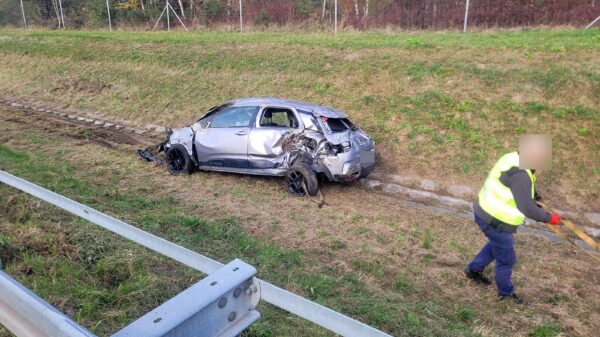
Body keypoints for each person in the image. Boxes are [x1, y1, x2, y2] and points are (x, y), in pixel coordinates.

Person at [463, 136, 560, 304]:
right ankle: (506, 295)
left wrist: (535, 195)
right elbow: (527, 208)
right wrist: (549, 218)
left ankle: (473, 270)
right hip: (496, 221)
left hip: (484, 211)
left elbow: (519, 185)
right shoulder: (521, 175)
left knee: (497, 245)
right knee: (506, 259)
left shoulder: (512, 158)